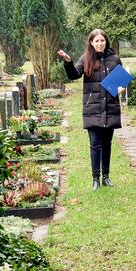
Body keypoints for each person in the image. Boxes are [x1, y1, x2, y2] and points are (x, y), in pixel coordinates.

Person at [57, 29, 122, 191]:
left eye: (102, 41)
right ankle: (95, 178)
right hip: (92, 107)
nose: (100, 44)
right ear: (91, 43)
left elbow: (120, 81)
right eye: (96, 41)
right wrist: (68, 62)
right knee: (95, 144)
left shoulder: (114, 59)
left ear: (106, 41)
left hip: (110, 107)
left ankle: (106, 176)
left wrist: (120, 88)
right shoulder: (86, 59)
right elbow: (74, 75)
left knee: (107, 143)